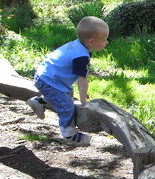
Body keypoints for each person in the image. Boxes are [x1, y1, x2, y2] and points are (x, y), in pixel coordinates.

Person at [26, 16, 109, 145]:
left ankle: (39, 101)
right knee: (67, 106)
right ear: (92, 41)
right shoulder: (81, 56)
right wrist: (83, 100)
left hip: (48, 77)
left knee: (66, 95)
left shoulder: (78, 45)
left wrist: (82, 92)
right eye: (104, 40)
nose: (107, 42)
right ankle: (69, 134)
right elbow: (82, 80)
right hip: (49, 81)